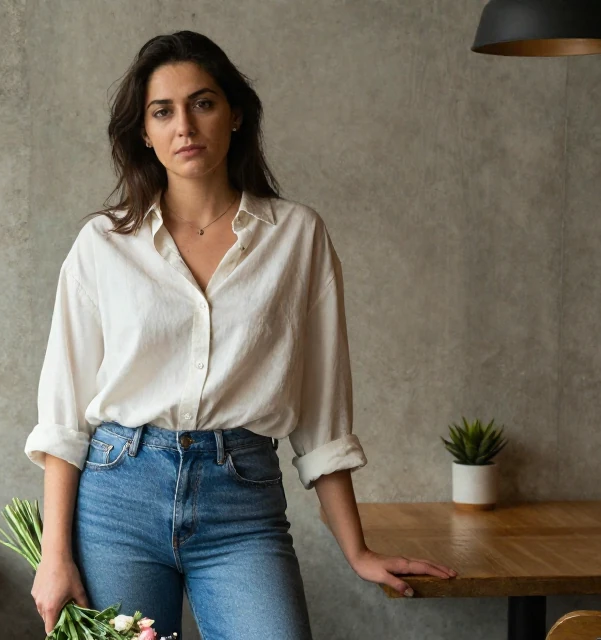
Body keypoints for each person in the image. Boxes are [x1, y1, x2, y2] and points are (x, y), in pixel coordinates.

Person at [23, 30, 457, 639]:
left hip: (241, 502)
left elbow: (321, 414)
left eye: (202, 103)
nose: (185, 126)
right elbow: (65, 416)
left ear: (235, 114)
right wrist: (54, 555)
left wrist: (356, 549)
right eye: (163, 111)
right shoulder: (102, 244)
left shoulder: (297, 238)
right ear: (144, 132)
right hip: (118, 497)